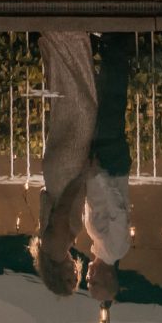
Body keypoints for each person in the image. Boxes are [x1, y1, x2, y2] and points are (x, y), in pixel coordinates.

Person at [30, 30, 97, 295]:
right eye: (75, 281)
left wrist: (82, 176)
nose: (75, 275)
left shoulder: (56, 248)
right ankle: (59, 44)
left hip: (67, 173)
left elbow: (62, 210)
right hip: (58, 171)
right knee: (72, 108)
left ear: (57, 276)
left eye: (69, 281)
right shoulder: (51, 247)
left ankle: (66, 40)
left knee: (83, 109)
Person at [84, 32, 132, 306]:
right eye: (92, 282)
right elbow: (115, 208)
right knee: (109, 106)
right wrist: (98, 172)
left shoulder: (101, 248)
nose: (87, 278)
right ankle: (116, 45)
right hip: (109, 165)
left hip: (103, 166)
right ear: (105, 278)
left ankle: (111, 46)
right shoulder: (114, 248)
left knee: (103, 104)